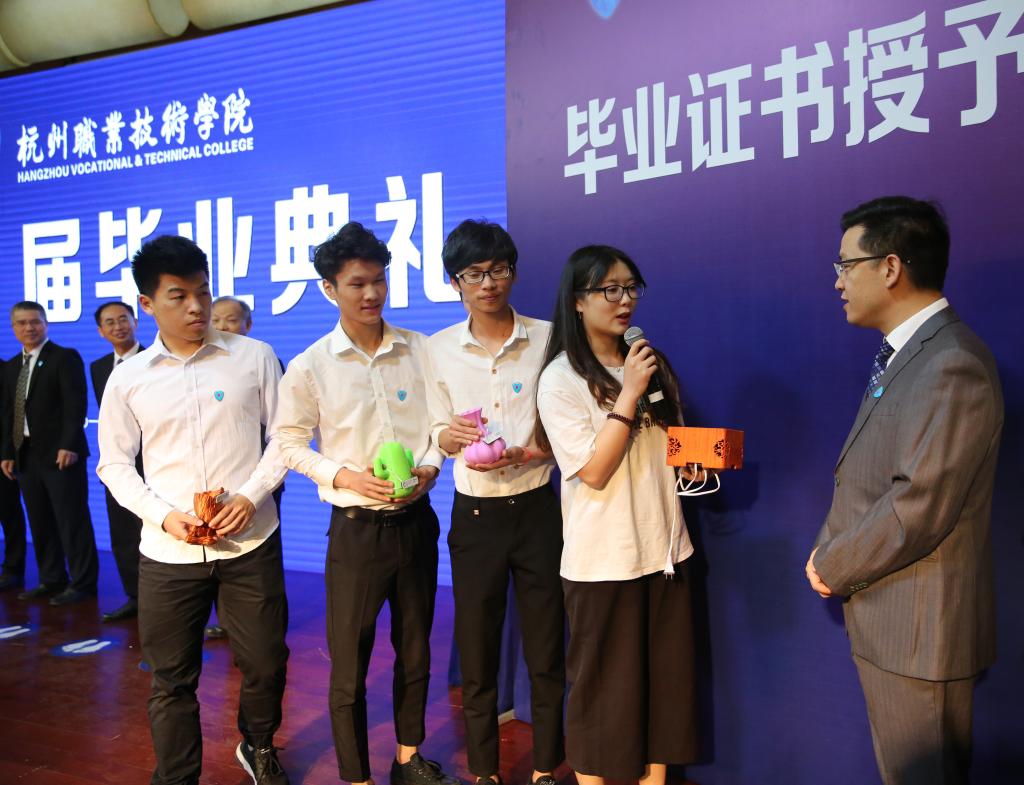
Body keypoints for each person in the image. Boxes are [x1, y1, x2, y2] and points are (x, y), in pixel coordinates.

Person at [806, 196, 1003, 785]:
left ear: (890, 267)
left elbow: (919, 506)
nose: (838, 281)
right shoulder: (910, 355)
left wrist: (833, 563)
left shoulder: (951, 363)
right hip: (894, 623)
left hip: (919, 636)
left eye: (845, 265)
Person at [96, 235, 290, 785]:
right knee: (171, 679)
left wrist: (251, 496)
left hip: (250, 541)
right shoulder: (128, 376)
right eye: (178, 296)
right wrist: (162, 516)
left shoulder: (253, 356)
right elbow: (114, 464)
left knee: (266, 664)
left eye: (203, 292)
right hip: (168, 553)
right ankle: (176, 777)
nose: (196, 307)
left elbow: (286, 438)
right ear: (147, 304)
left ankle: (257, 745)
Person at [271, 222, 455, 785]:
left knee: (416, 651)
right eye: (357, 284)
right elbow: (288, 442)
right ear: (330, 289)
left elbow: (441, 424)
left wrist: (430, 467)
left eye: (379, 280)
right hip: (355, 531)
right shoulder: (311, 365)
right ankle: (356, 775)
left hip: (416, 522)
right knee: (349, 664)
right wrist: (345, 476)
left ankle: (408, 757)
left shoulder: (420, 350)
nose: (371, 293)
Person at [535, 245, 698, 785]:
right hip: (604, 562)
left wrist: (694, 456)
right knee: (603, 697)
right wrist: (628, 393)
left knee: (664, 691)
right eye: (610, 289)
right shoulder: (560, 379)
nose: (624, 300)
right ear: (578, 301)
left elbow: (670, 444)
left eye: (631, 288)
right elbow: (594, 471)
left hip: (666, 552)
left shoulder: (648, 362)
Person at [425, 219, 564, 785]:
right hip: (475, 514)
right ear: (454, 282)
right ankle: (483, 771)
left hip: (537, 509)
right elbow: (432, 429)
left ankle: (547, 768)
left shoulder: (549, 338)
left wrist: (532, 452)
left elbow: (569, 424)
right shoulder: (436, 349)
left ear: (513, 272)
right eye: (473, 274)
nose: (488, 283)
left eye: (498, 270)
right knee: (478, 652)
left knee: (547, 649)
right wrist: (447, 436)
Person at [1, 301, 99, 605]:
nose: (29, 328)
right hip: (26, 455)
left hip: (60, 455)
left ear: (46, 323)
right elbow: (10, 414)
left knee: (72, 521)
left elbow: (75, 404)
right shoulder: (12, 366)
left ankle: (83, 583)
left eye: (35, 321)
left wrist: (69, 444)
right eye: (22, 323)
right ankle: (52, 578)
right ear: (13, 328)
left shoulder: (64, 357)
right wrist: (8, 452)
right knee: (40, 521)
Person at [90, 301, 144, 621]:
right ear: (101, 331)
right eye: (109, 322)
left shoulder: (155, 359)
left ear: (135, 321)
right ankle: (134, 596)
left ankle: (157, 599)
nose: (118, 326)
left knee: (150, 534)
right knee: (122, 534)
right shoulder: (98, 367)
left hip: (153, 463)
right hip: (117, 464)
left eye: (123, 319)